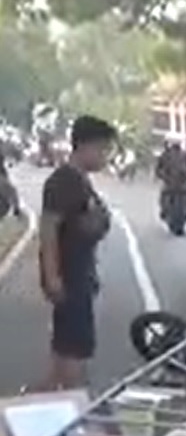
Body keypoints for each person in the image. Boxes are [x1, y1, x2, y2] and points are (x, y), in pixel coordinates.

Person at [37, 114, 116, 390]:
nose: (106, 156)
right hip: (70, 278)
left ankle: (41, 408)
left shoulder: (79, 180)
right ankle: (76, 409)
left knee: (64, 352)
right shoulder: (64, 181)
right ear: (86, 146)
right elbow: (48, 230)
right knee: (73, 354)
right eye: (104, 149)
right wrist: (53, 277)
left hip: (79, 274)